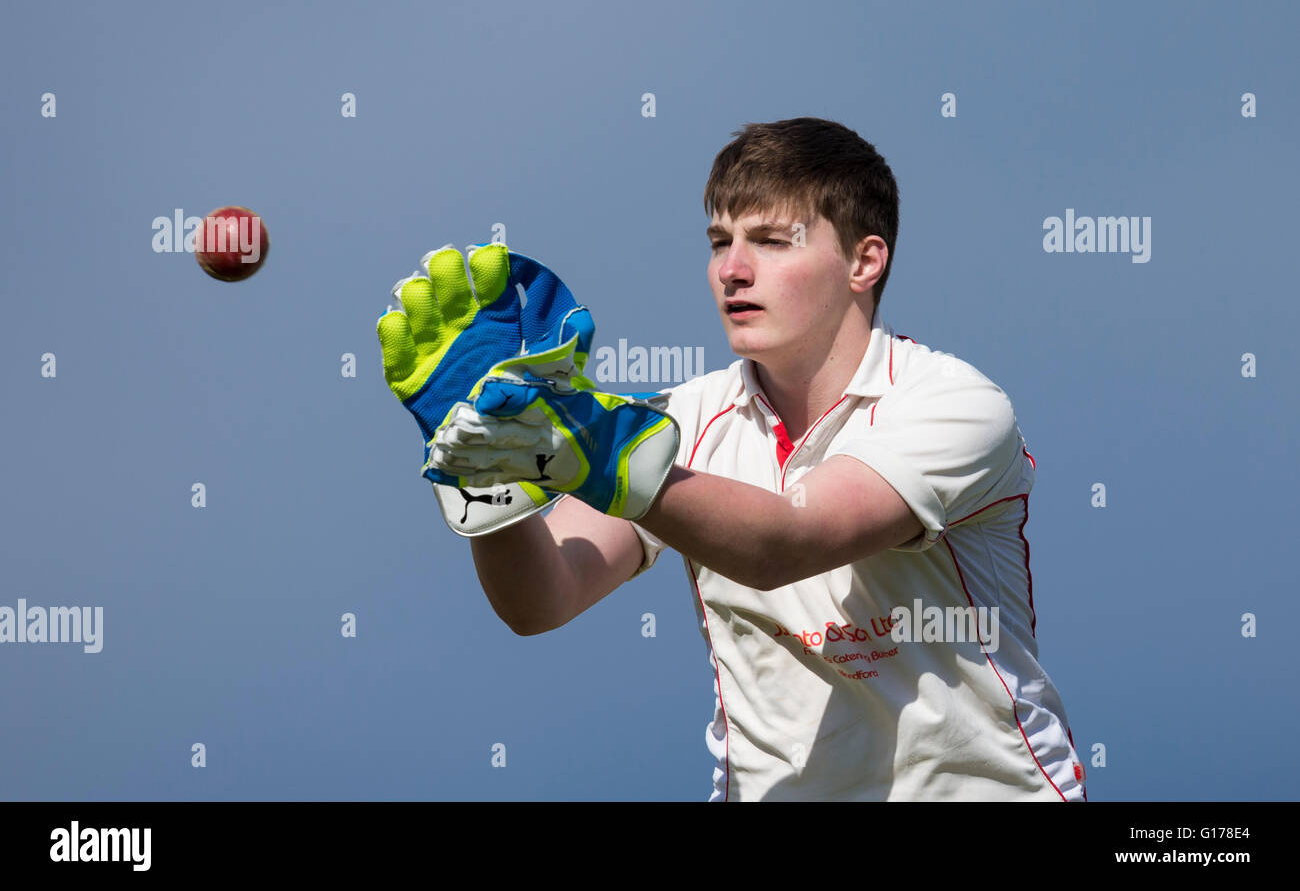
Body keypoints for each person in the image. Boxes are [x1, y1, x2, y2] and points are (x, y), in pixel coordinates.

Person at [403, 117, 1087, 801]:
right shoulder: (681, 420)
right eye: (719, 242)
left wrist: (588, 450)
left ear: (864, 262)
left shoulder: (955, 403)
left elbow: (786, 542)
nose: (731, 268)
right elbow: (541, 598)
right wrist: (491, 474)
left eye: (770, 241)